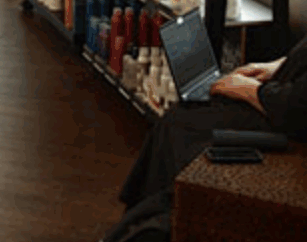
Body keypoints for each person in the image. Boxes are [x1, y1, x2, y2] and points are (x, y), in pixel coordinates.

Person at [119, 33, 307, 210]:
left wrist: (246, 88)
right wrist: (278, 65)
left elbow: (294, 111)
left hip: (285, 124)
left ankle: (154, 220)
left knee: (178, 123)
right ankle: (142, 217)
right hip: (278, 99)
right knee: (187, 110)